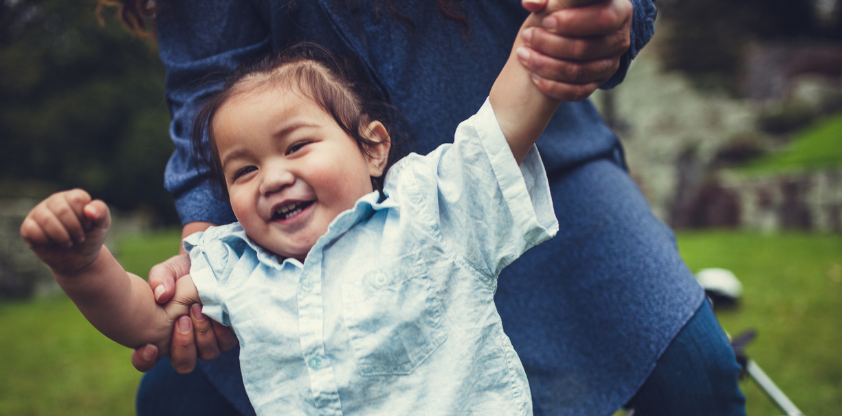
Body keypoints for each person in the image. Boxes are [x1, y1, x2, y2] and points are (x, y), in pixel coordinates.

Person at [109, 0, 746, 415]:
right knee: (175, 399)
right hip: (324, 219)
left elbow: (561, 43)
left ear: (376, 144)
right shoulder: (272, 196)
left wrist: (601, 19)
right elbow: (209, 87)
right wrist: (200, 239)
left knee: (694, 373)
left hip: (540, 164)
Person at [23, 5, 573, 410]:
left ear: (373, 146)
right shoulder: (233, 264)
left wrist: (553, 27)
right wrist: (81, 267)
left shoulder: (428, 209)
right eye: (244, 170)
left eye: (297, 146)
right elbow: (149, 319)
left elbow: (501, 125)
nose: (274, 177)